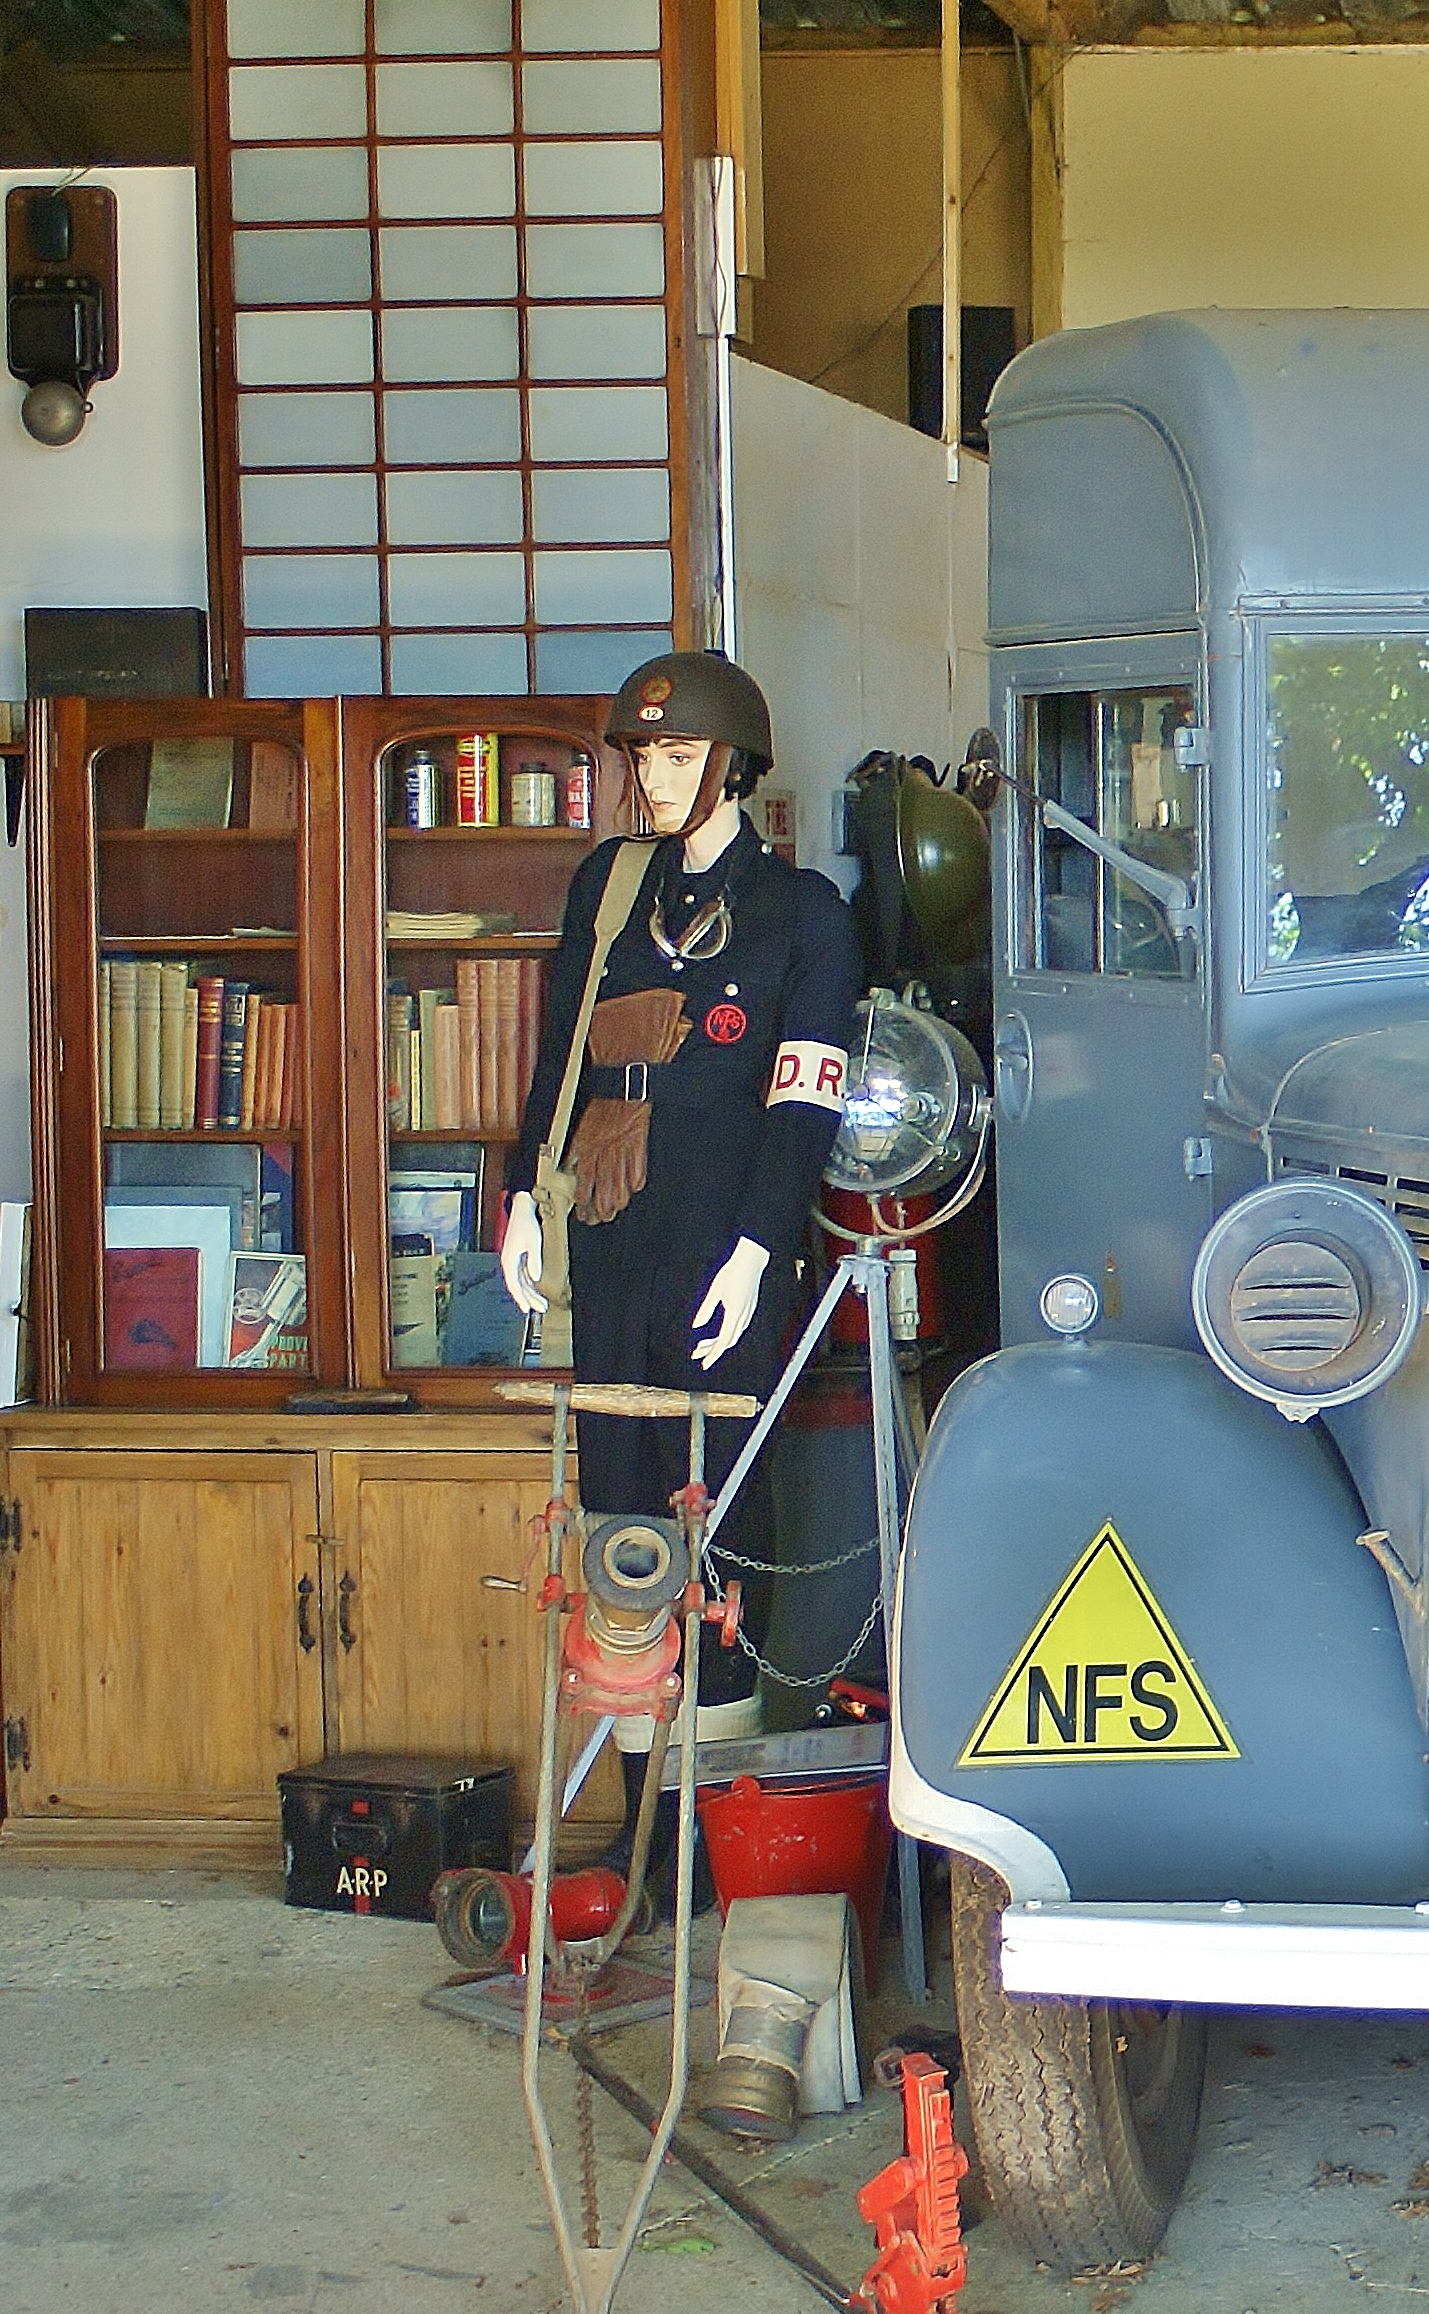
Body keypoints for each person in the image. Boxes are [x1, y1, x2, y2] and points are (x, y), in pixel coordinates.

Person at [498, 649, 859, 1852]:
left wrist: (758, 1247)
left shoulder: (803, 915)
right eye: (642, 753)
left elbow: (803, 1102)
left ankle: (711, 1837)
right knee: (619, 1535)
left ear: (733, 766)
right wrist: (523, 1195)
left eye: (678, 753)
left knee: (720, 1538)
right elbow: (558, 1052)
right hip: (610, 1245)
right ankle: (639, 1835)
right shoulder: (609, 889)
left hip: (725, 1258)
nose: (653, 774)